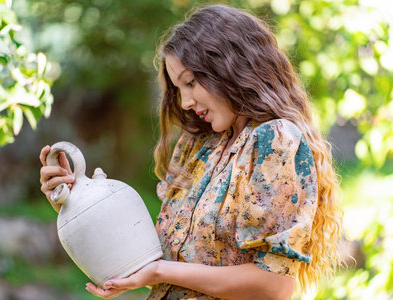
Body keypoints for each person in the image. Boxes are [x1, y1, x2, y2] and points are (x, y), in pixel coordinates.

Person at [39, 5, 342, 299]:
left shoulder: (274, 141)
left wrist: (160, 273)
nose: (184, 102)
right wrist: (75, 203)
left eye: (191, 82)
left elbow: (272, 287)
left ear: (231, 67)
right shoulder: (199, 146)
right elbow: (175, 271)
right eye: (177, 88)